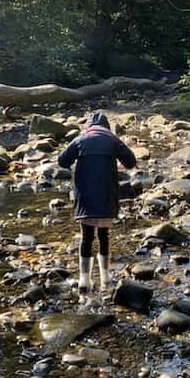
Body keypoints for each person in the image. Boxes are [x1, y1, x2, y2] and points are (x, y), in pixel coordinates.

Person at [58, 112, 137, 293]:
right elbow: (131, 162)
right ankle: (105, 276)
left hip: (84, 195)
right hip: (106, 194)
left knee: (86, 237)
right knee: (103, 236)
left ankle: (84, 280)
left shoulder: (80, 140)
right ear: (106, 127)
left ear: (88, 127)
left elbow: (62, 161)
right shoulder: (112, 140)